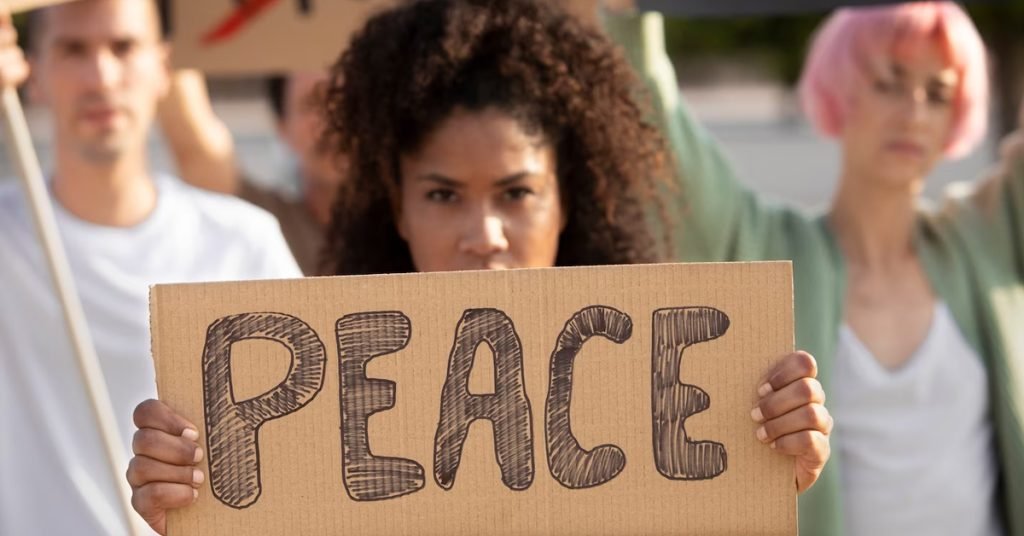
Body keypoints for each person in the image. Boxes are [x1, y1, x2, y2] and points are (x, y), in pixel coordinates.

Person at [124, 1, 834, 534]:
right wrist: (190, 505)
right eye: (442, 196)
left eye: (517, 193)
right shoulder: (309, 417)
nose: (484, 234)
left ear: (567, 203)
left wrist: (766, 474)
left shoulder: (674, 402)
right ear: (396, 209)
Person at [603, 2, 1024, 535]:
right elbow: (655, 124)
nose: (914, 112)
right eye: (888, 83)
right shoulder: (767, 245)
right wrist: (625, 16)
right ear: (841, 92)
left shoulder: (987, 239)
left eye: (937, 94)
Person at [0, 1, 301, 534]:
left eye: (124, 47)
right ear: (34, 74)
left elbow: (306, 448)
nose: (101, 76)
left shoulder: (243, 242)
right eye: (74, 50)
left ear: (165, 68)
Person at [157, 69, 343, 275]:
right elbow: (196, 150)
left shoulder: (386, 227)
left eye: (347, 100)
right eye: (311, 104)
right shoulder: (262, 224)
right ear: (282, 127)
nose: (331, 119)